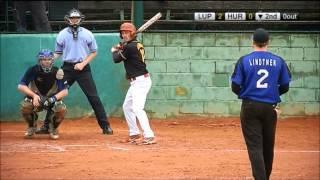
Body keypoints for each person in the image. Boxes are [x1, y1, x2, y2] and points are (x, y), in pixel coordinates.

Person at [231, 28, 291, 180]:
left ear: (253, 42)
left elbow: (235, 86)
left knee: (255, 146)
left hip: (250, 106)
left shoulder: (244, 60)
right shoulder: (278, 60)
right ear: (268, 42)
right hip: (270, 107)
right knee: (267, 146)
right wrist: (272, 95)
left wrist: (246, 93)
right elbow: (285, 86)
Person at [53, 8, 113, 135]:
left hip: (83, 69)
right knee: (55, 95)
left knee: (93, 97)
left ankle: (105, 126)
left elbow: (94, 52)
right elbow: (58, 52)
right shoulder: (62, 34)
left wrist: (82, 64)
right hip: (67, 68)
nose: (74, 21)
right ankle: (48, 125)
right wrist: (48, 60)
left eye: (77, 18)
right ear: (67, 19)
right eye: (72, 18)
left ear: (81, 19)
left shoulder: (88, 34)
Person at [111, 22, 156, 145]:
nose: (124, 34)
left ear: (132, 33)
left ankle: (149, 135)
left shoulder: (130, 47)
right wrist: (122, 47)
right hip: (136, 81)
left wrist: (114, 50)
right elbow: (126, 50)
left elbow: (116, 59)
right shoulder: (134, 44)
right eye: (123, 33)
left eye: (127, 32)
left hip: (140, 81)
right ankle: (134, 133)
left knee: (137, 108)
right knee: (127, 106)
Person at [18, 49, 68, 140]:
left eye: (49, 59)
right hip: (37, 99)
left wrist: (52, 99)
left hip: (52, 99)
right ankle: (32, 126)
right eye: (44, 59)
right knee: (25, 106)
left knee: (61, 109)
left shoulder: (58, 72)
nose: (46, 61)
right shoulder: (33, 70)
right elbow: (21, 86)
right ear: (39, 60)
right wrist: (34, 95)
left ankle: (53, 128)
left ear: (52, 60)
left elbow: (65, 91)